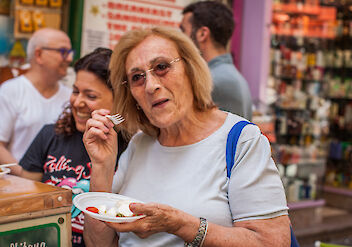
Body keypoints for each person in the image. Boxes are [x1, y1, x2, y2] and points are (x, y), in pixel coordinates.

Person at [82, 26, 291, 246]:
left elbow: (271, 242)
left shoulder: (241, 140)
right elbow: (99, 244)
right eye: (137, 77)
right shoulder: (139, 144)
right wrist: (102, 167)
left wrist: (180, 225)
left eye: (161, 67)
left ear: (190, 69)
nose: (151, 86)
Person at [18, 48, 128, 247]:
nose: (78, 102)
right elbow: (24, 203)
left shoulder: (132, 149)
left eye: (91, 96)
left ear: (120, 99)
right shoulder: (49, 135)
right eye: (76, 91)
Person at [0, 28, 73, 175]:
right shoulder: (10, 91)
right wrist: (26, 174)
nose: (69, 59)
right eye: (63, 51)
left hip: (60, 187)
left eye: (69, 53)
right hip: (18, 187)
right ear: (39, 54)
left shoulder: (71, 96)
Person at [180, 0, 253, 120]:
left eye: (183, 31)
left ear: (202, 34)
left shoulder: (212, 81)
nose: (180, 38)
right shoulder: (231, 76)